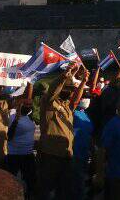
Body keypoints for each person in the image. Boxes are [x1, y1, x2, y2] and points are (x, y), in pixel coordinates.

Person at [37, 63, 90, 200]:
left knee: (64, 191)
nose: (71, 92)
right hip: (50, 155)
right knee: (46, 191)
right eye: (68, 89)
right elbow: (52, 91)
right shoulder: (48, 103)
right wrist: (65, 74)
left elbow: (75, 102)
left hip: (66, 155)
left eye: (72, 90)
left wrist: (83, 82)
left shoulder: (66, 106)